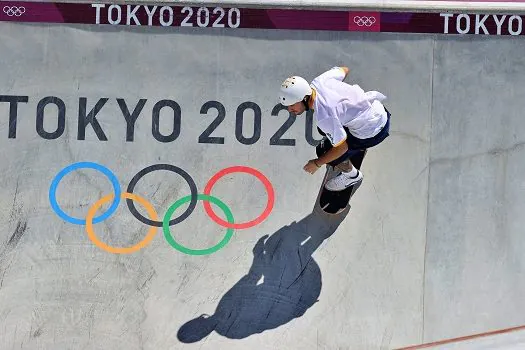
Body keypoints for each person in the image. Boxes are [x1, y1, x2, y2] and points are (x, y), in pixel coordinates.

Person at [278, 66, 391, 191]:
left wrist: (317, 163)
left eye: (292, 105)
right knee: (325, 131)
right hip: (378, 109)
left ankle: (352, 176)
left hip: (373, 133)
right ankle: (345, 138)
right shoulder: (319, 81)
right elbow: (345, 69)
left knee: (324, 152)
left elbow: (342, 148)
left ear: (304, 98)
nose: (290, 110)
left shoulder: (325, 117)